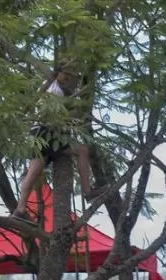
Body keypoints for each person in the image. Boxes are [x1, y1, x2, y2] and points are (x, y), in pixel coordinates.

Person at [12, 60, 104, 224]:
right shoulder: (54, 91)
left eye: (71, 75)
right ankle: (87, 191)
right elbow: (52, 117)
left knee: (34, 171)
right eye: (66, 74)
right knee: (82, 150)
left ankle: (20, 209)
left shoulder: (49, 86)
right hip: (47, 132)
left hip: (38, 132)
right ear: (58, 72)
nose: (68, 78)